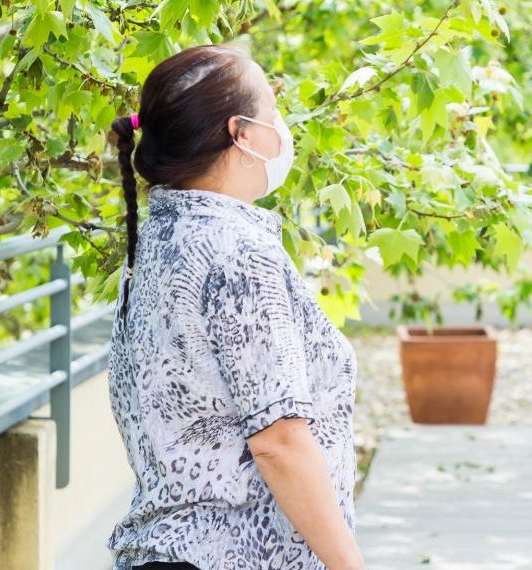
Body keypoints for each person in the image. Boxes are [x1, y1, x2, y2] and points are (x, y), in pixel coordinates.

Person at [105, 45, 364, 570]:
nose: (281, 126)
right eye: (272, 110)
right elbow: (280, 442)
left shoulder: (158, 239)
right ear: (241, 133)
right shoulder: (238, 253)